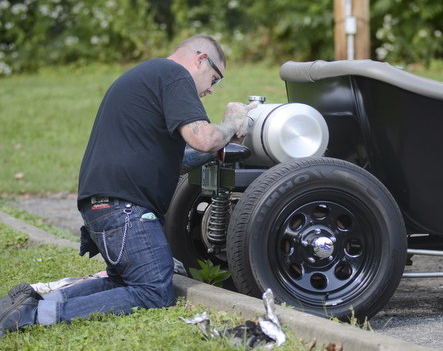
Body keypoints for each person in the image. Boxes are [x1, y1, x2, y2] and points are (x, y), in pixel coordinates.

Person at [0, 35, 257, 338]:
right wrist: (232, 122)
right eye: (214, 77)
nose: (211, 89)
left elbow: (181, 159)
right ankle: (33, 315)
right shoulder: (174, 74)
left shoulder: (149, 76)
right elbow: (202, 137)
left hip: (103, 205)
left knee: (126, 282)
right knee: (154, 291)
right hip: (125, 208)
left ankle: (33, 301)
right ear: (200, 59)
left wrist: (220, 146)